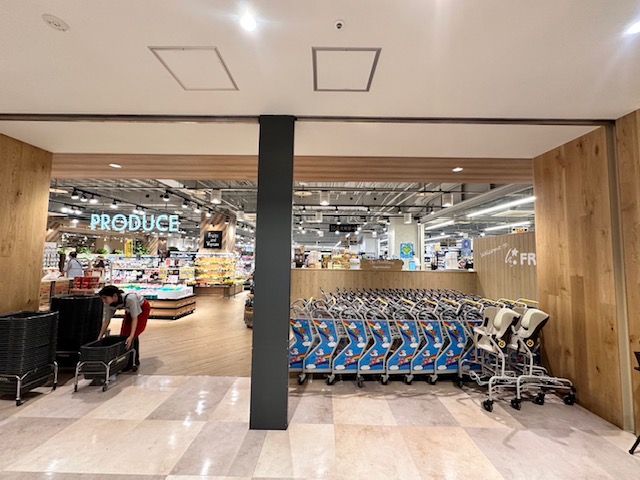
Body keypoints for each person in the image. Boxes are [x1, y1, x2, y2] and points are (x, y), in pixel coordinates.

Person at [98, 285, 150, 370]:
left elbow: (135, 318)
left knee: (132, 335)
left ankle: (134, 362)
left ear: (114, 296)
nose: (104, 301)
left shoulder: (131, 299)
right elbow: (106, 321)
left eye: (105, 298)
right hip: (129, 311)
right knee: (124, 334)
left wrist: (131, 336)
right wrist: (100, 336)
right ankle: (126, 361)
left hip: (142, 308)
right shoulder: (108, 304)